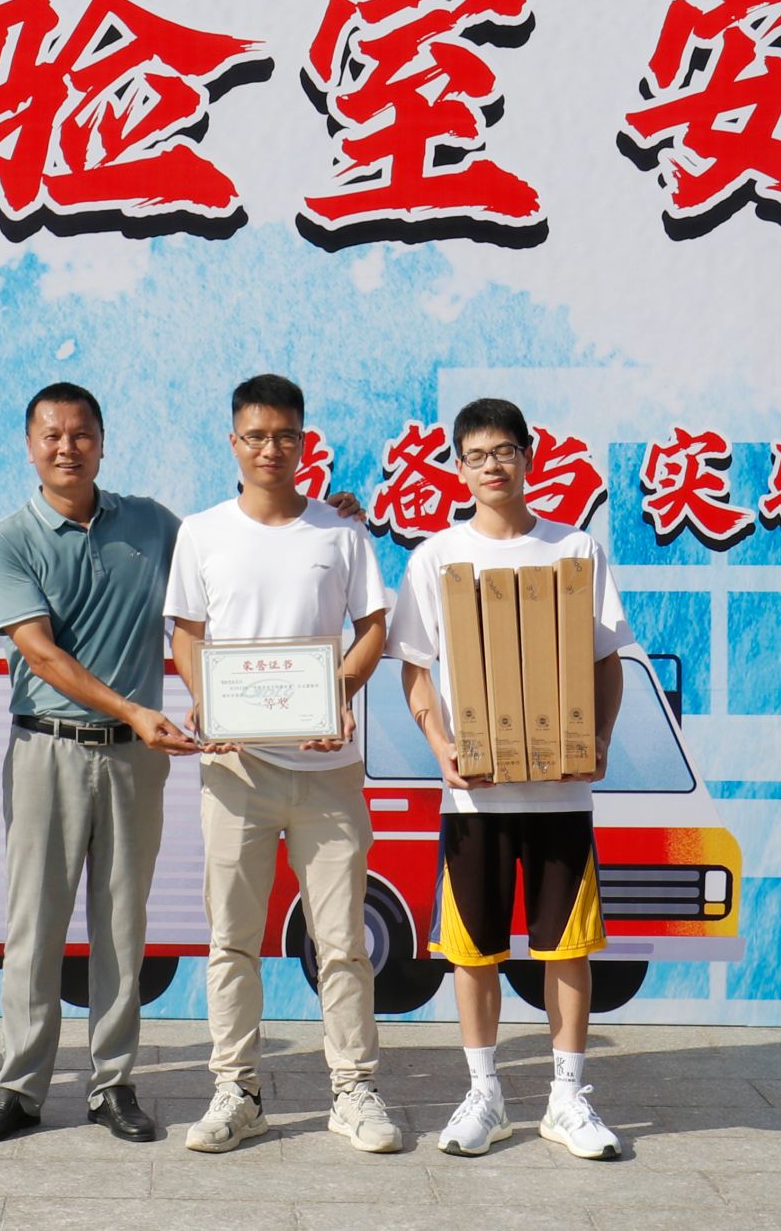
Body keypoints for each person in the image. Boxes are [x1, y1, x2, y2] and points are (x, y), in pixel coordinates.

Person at [384, 397, 633, 1161]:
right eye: (477, 454)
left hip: (561, 791)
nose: (492, 465)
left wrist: (598, 737)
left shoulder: (575, 550)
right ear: (459, 467)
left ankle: (567, 1096)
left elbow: (607, 661)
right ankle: (485, 1093)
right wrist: (440, 745)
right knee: (475, 949)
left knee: (567, 946)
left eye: (505, 450)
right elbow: (415, 670)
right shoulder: (435, 558)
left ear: (529, 456)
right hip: (475, 796)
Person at [166, 374, 401, 1155]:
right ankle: (237, 1089)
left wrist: (337, 694)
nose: (271, 448)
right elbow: (188, 633)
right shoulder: (202, 532)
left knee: (342, 940)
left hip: (327, 769)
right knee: (232, 938)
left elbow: (373, 627)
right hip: (236, 770)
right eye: (256, 436)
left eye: (286, 436)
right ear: (233, 441)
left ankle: (354, 1088)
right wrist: (207, 700)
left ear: (305, 442)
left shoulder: (340, 532)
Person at [0, 382, 195, 1145]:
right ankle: (20, 1085)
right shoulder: (8, 541)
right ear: (30, 446)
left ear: (102, 440)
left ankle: (113, 1083)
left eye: (81, 433)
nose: (68, 447)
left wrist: (325, 519)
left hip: (134, 760)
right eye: (52, 434)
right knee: (35, 924)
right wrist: (131, 707)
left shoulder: (153, 525)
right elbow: (40, 652)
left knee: (123, 925)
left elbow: (223, 568)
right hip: (47, 751)